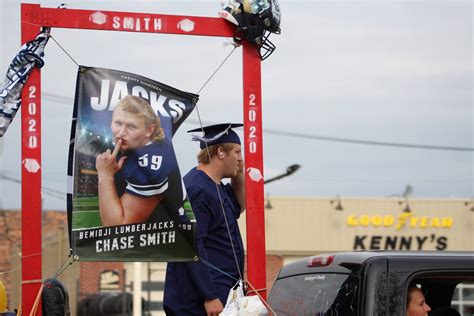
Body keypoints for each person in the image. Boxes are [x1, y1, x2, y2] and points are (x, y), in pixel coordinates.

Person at [163, 123, 245, 316]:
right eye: (237, 152)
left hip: (220, 295)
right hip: (199, 303)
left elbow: (240, 206)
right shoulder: (197, 189)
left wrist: (239, 171)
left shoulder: (216, 188)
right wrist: (209, 295)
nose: (241, 159)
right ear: (221, 152)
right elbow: (192, 245)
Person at [95, 95, 177, 227]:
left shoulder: (151, 161)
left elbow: (117, 228)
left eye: (131, 127)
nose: (121, 133)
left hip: (160, 243)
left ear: (149, 130)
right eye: (118, 123)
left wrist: (105, 176)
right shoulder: (130, 147)